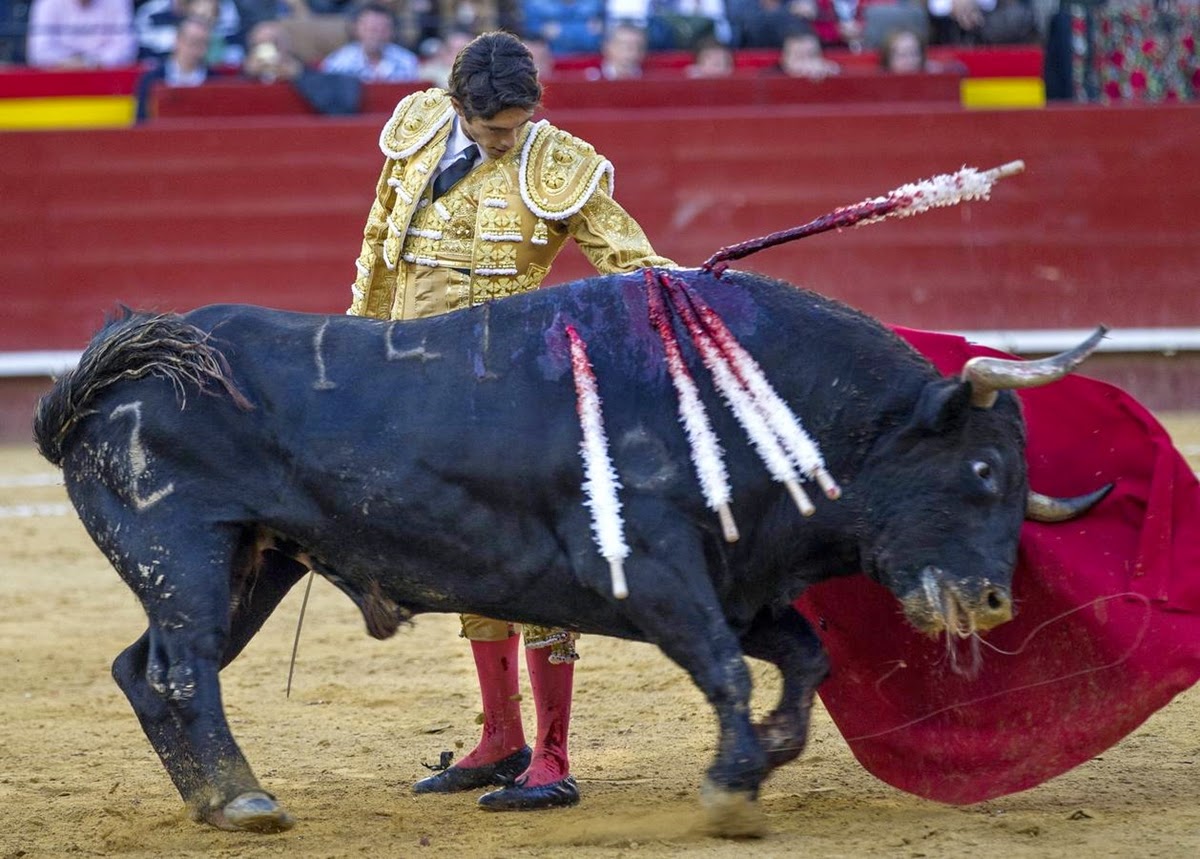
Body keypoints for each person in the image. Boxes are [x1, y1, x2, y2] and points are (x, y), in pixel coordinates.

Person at [347, 29, 674, 811]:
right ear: (458, 106)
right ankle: (501, 736)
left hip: (516, 394)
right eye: (494, 130)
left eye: (518, 126)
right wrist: (358, 358)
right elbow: (377, 248)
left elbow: (629, 263)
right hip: (423, 385)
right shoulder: (419, 129)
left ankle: (553, 753)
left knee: (534, 562)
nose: (507, 141)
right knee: (470, 557)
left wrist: (680, 286)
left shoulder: (557, 161)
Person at [134, 14, 220, 120]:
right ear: (178, 40)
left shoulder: (215, 81)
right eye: (192, 42)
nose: (197, 50)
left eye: (203, 44)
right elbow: (141, 123)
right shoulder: (151, 79)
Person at [319, 2, 420, 82]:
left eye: (382, 29)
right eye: (370, 28)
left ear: (392, 31)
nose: (376, 34)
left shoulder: (407, 62)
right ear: (356, 29)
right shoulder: (338, 64)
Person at [25, 0, 137, 68]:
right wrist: (70, 63)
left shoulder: (118, 2)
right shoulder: (47, 3)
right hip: (58, 80)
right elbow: (39, 52)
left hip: (105, 79)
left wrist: (94, 62)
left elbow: (126, 48)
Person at [774, 23, 839, 79]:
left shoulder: (829, 71)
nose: (806, 63)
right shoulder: (768, 79)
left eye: (812, 55)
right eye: (799, 57)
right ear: (783, 59)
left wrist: (836, 74)